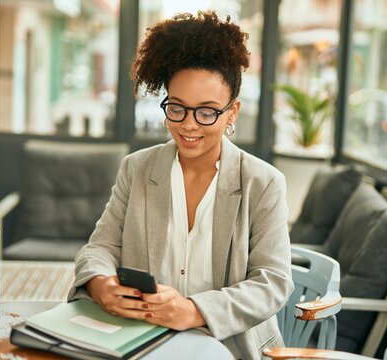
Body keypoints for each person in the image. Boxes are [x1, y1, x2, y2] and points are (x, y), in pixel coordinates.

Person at [68, 10, 293, 359]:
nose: (188, 125)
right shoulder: (137, 168)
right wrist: (101, 284)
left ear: (232, 112)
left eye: (207, 112)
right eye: (177, 108)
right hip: (141, 341)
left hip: (228, 348)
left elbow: (272, 282)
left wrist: (194, 310)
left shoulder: (262, 183)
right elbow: (101, 247)